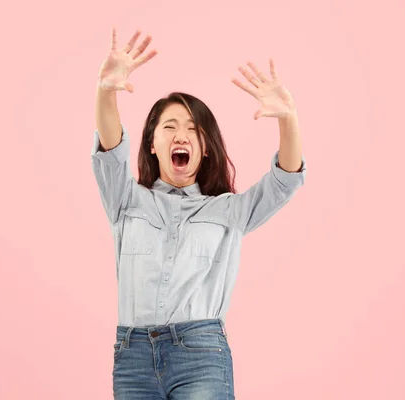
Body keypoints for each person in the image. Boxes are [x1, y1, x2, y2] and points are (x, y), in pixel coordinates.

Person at [91, 28, 306, 399]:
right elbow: (110, 146)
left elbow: (284, 181)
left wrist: (288, 119)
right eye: (170, 127)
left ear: (205, 149)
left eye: (193, 129)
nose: (181, 135)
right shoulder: (126, 200)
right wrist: (106, 90)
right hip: (133, 357)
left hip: (200, 354)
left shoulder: (229, 210)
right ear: (153, 143)